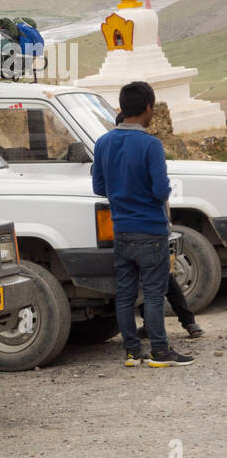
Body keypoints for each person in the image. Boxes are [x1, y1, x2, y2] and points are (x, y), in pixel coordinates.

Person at [92, 81, 193, 367]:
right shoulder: (151, 144)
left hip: (121, 230)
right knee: (153, 293)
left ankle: (132, 352)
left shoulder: (103, 142)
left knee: (124, 294)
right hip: (150, 230)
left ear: (122, 107)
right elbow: (161, 191)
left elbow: (99, 186)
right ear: (149, 107)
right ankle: (161, 352)